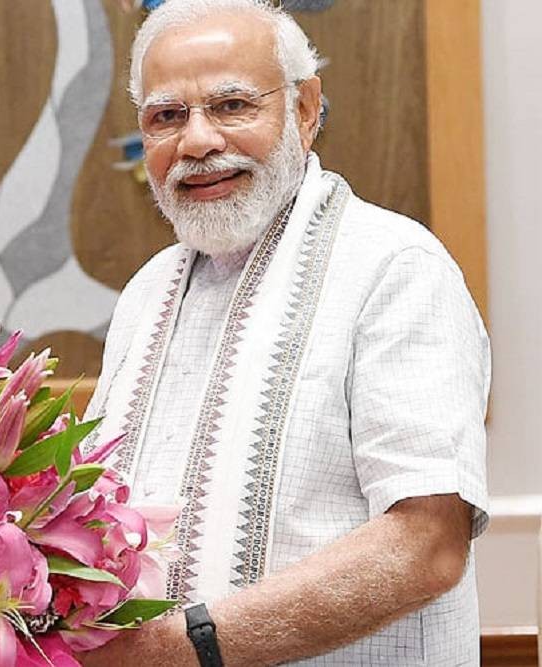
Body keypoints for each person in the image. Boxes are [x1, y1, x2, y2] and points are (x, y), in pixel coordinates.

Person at [80, 0, 489, 664]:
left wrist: (184, 648)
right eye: (167, 116)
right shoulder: (145, 293)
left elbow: (427, 543)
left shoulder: (394, 266)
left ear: (304, 109)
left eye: (232, 105)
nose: (197, 142)